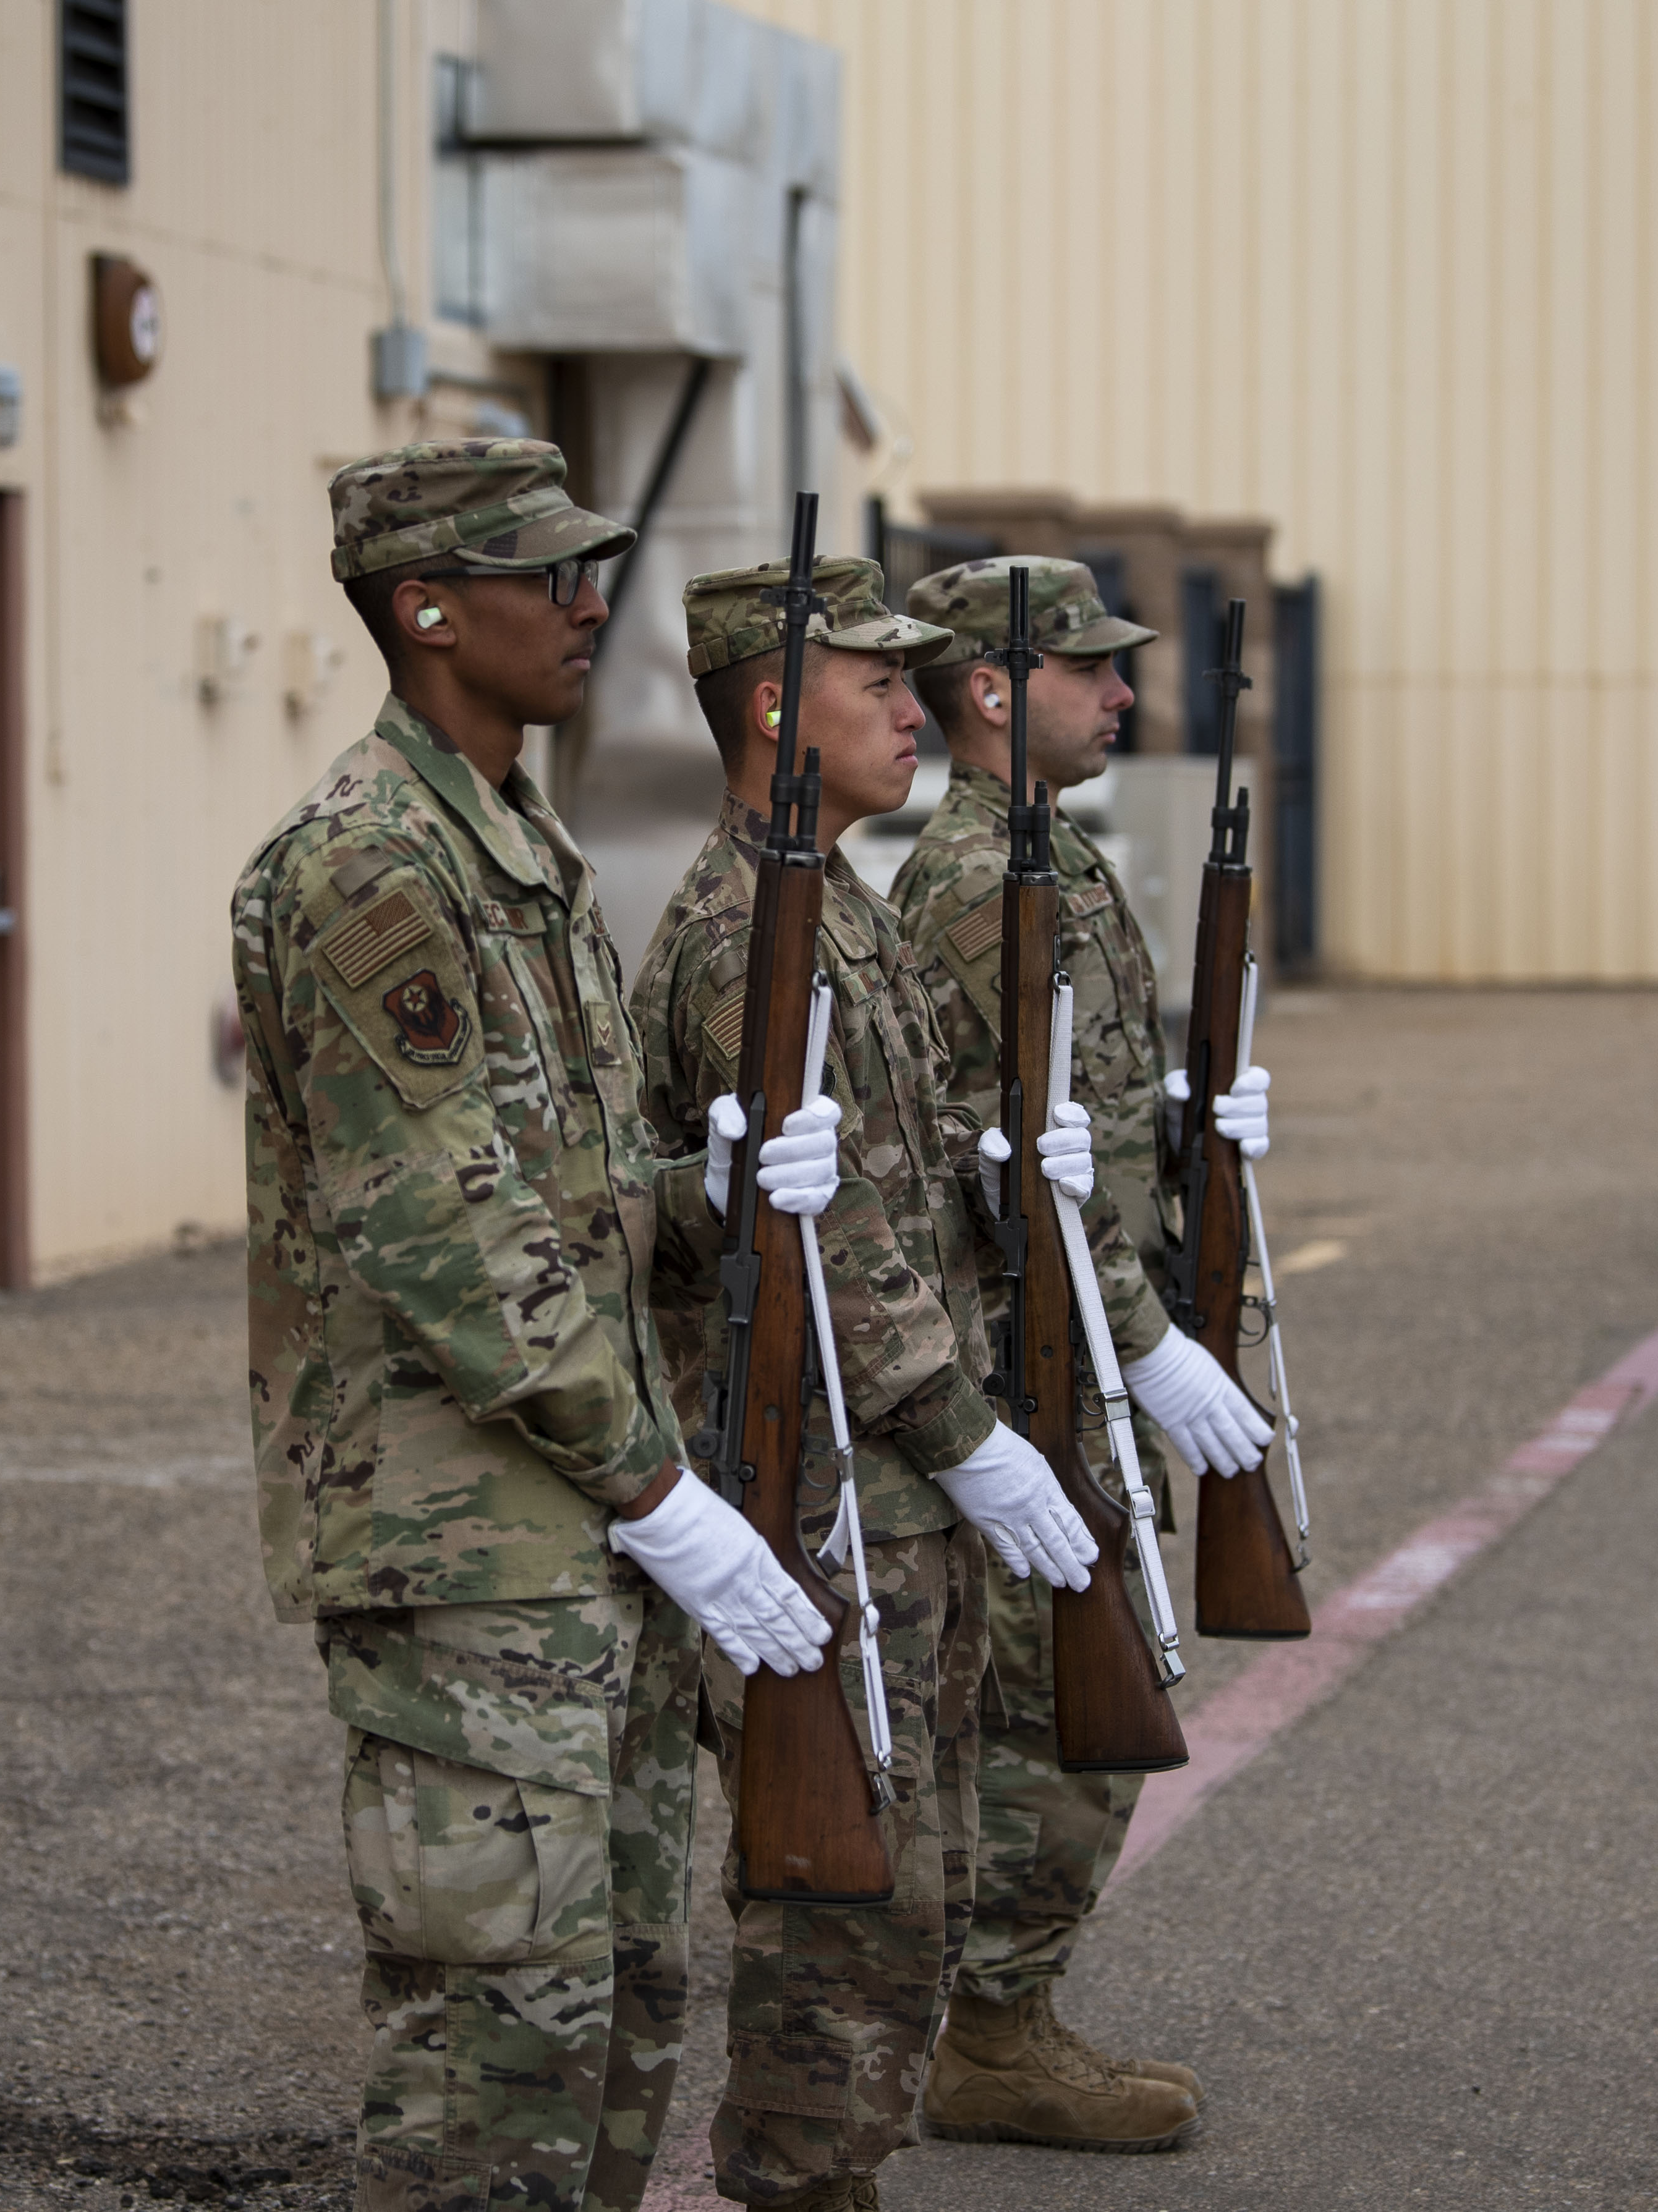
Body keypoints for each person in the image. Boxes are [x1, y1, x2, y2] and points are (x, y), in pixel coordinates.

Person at [233, 439, 851, 2212]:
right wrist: (660, 1489)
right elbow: (443, 1237)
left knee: (620, 2011)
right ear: (427, 610)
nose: (592, 605)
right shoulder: (371, 865)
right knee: (494, 2048)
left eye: (595, 569)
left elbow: (562, 1198)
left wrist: (702, 1189)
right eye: (550, 575)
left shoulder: (518, 844)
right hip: (472, 1548)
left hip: (583, 1530)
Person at [629, 554, 1101, 2212]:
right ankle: (801, 2180)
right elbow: (813, 1240)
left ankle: (838, 2174)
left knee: (914, 1881)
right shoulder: (742, 934)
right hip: (831, 1490)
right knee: (842, 1898)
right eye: (881, 682)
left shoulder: (844, 904)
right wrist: (966, 1431)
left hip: (895, 1487)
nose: (919, 708)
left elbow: (893, 1179)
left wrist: (1012, 1167)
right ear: (776, 706)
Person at [888, 554, 1278, 2152]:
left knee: (1073, 1696)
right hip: (1029, 1355)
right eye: (1092, 668)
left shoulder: (1054, 856)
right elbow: (1012, 1172)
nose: (1125, 693)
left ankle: (1010, 2014)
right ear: (993, 690)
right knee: (1054, 1708)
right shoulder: (981, 884)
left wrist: (1191, 1129)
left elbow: (1083, 1125)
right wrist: (1153, 1340)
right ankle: (986, 2032)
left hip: (1083, 1340)